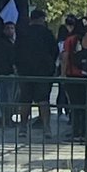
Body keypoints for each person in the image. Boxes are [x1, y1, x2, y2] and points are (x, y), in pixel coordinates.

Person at [14, 9, 58, 138]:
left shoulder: (23, 33)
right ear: (40, 19)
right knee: (43, 100)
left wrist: (17, 67)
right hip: (43, 72)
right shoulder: (47, 34)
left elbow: (16, 51)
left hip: (25, 72)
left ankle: (23, 128)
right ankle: (46, 128)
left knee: (25, 100)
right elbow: (54, 51)